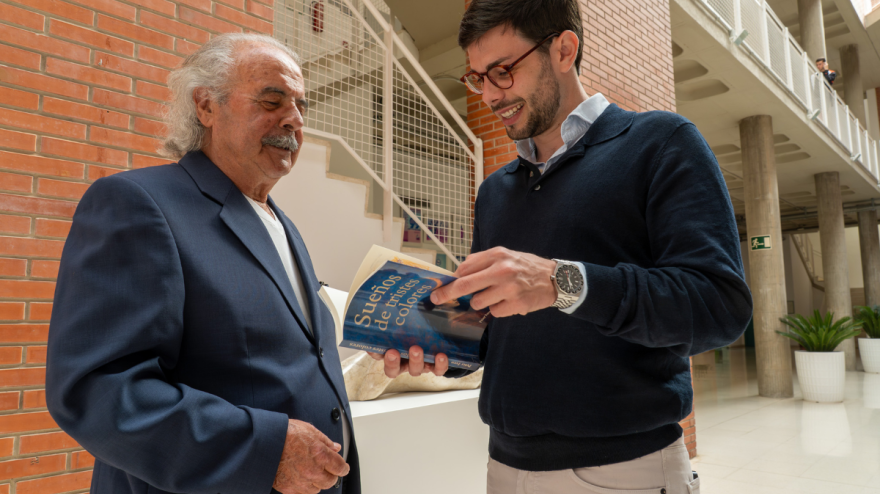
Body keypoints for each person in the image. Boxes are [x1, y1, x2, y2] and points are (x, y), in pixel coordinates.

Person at [373, 0, 752, 492]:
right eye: (477, 78)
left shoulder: (662, 144)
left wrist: (560, 282)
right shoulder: (494, 191)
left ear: (564, 49)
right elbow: (503, 336)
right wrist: (437, 347)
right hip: (502, 468)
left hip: (622, 472)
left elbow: (717, 306)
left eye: (503, 71)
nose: (489, 94)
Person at [46, 33, 358, 494]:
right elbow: (100, 391)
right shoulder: (139, 203)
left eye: (301, 106)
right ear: (206, 107)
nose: (293, 120)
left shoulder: (282, 224)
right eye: (272, 100)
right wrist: (265, 450)